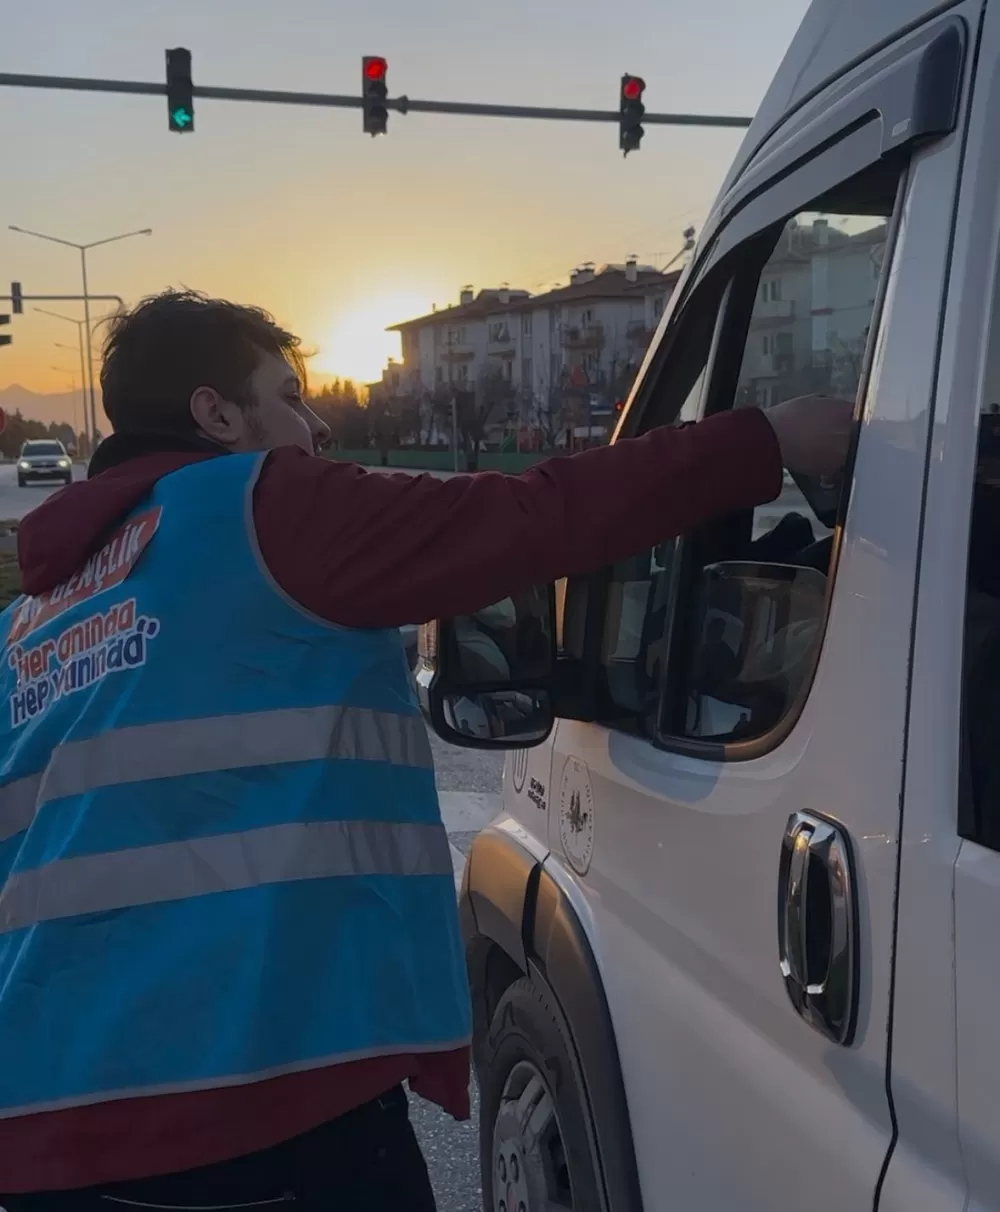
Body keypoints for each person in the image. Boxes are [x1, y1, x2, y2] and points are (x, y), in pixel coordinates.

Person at [0, 291, 854, 1210]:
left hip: (43, 1127)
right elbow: (534, 518)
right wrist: (766, 440)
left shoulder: (31, 623)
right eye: (288, 396)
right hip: (237, 1115)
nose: (317, 421)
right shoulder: (260, 507)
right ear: (217, 414)